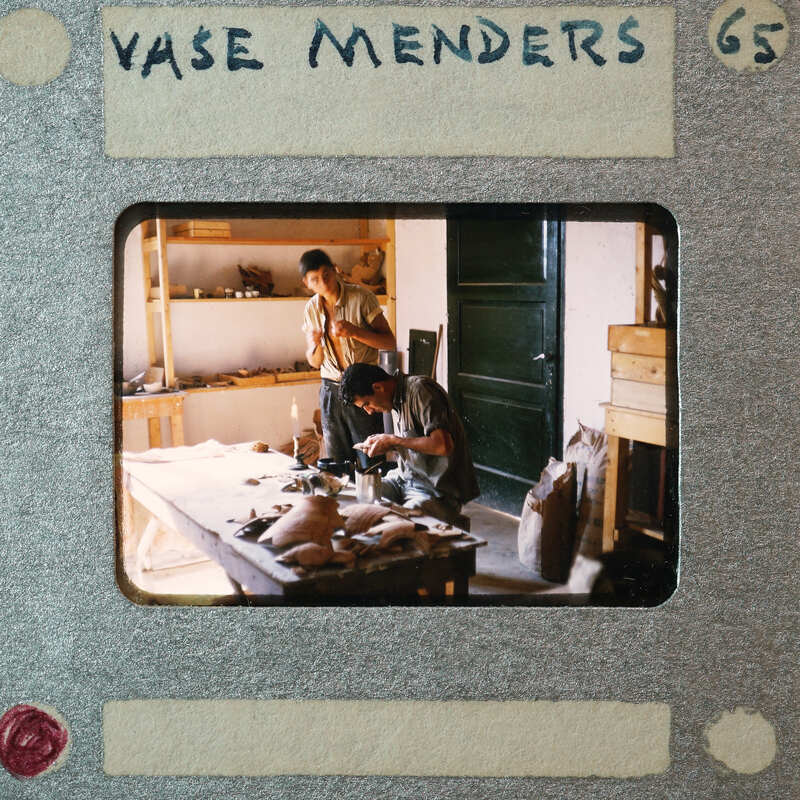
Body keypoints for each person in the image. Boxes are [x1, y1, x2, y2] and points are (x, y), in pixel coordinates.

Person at [340, 363, 480, 525]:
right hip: (403, 479)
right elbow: (412, 443)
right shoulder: (394, 399)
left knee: (399, 522)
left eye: (367, 404)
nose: (369, 411)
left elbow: (443, 445)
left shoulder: (421, 390)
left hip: (434, 490)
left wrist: (394, 440)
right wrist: (388, 445)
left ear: (378, 387)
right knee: (360, 497)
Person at [300, 249, 397, 463]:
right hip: (330, 389)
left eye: (326, 275)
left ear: (335, 270)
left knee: (370, 459)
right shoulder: (311, 309)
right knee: (337, 463)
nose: (323, 283)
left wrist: (355, 332)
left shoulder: (362, 297)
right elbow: (315, 362)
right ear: (306, 283)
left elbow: (389, 342)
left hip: (363, 390)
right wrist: (316, 345)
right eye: (315, 279)